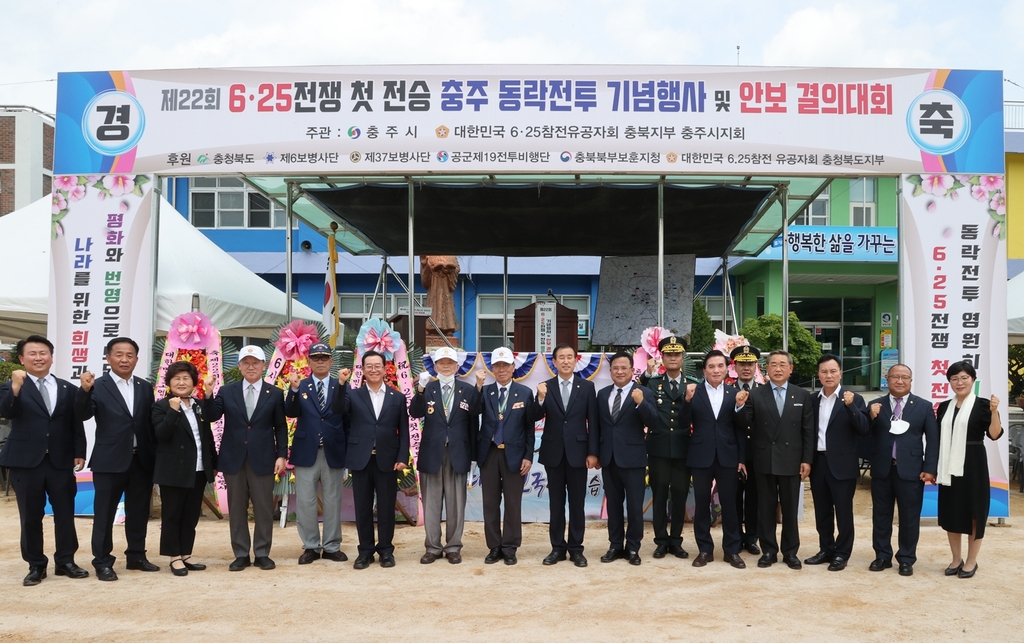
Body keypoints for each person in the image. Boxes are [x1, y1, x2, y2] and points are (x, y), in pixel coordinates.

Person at [0, 335, 87, 586]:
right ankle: (36, 564)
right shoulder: (10, 386)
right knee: (30, 515)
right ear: (21, 359)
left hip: (60, 460)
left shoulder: (66, 388)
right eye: (32, 354)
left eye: (43, 353)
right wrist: (16, 387)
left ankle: (66, 561)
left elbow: (75, 423)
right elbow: (7, 411)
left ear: (51, 356)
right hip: (26, 461)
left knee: (64, 512)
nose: (38, 358)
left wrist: (79, 451)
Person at [75, 337, 158, 581]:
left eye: (130, 355)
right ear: (108, 358)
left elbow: (147, 425)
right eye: (119, 354)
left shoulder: (145, 386)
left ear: (136, 359)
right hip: (109, 460)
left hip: (140, 460)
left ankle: (136, 556)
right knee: (104, 513)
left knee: (139, 511)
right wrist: (84, 391)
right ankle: (102, 561)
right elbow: (82, 414)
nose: (124, 359)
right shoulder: (97, 385)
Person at [202, 345, 288, 571]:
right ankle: (240, 554)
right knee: (237, 509)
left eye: (255, 362)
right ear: (239, 366)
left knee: (263, 508)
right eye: (246, 362)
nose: (251, 366)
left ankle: (262, 553)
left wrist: (281, 455)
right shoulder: (227, 391)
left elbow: (280, 427)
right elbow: (211, 415)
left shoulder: (275, 393)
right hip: (234, 458)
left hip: (264, 458)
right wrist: (208, 394)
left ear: (263, 365)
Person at [334, 350, 410, 569]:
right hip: (361, 459)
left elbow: (403, 430)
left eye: (378, 366)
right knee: (363, 507)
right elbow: (338, 410)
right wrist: (341, 384)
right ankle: (365, 551)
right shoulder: (353, 394)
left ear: (386, 369)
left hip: (388, 459)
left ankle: (386, 550)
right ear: (363, 369)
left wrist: (402, 456)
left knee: (387, 507)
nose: (374, 370)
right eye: (369, 366)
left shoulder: (397, 397)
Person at [409, 346, 480, 565]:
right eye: (442, 363)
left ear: (457, 366)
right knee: (431, 503)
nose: (446, 366)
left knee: (456, 503)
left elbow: (474, 422)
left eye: (450, 363)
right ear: (435, 366)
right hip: (432, 453)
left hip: (458, 453)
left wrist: (474, 457)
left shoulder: (468, 390)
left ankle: (453, 547)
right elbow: (415, 412)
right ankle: (432, 547)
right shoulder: (427, 388)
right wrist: (419, 391)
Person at [744, 349, 813, 570]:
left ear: (790, 369)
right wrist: (738, 406)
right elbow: (745, 423)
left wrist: (807, 459)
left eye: (783, 364)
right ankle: (769, 550)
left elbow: (807, 431)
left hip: (792, 460)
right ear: (766, 368)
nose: (778, 368)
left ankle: (791, 552)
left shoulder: (802, 395)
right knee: (766, 508)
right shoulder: (756, 394)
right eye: (773, 364)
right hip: (764, 459)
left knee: (790, 509)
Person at [865, 363, 938, 576]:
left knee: (909, 517)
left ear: (911, 380)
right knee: (881, 516)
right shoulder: (875, 405)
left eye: (904, 377)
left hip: (912, 471)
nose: (899, 380)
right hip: (882, 469)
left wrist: (930, 468)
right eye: (895, 376)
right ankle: (882, 556)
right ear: (887, 379)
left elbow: (933, 439)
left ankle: (906, 558)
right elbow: (862, 434)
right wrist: (870, 416)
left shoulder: (923, 406)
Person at [284, 343, 352, 566]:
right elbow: (291, 413)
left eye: (325, 357)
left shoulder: (341, 385)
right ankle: (311, 546)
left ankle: (332, 546)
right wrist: (293, 390)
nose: (320, 361)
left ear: (332, 362)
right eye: (316, 358)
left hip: (333, 450)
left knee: (333, 500)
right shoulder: (300, 386)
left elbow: (347, 418)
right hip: (306, 452)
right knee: (305, 501)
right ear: (309, 362)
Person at [476, 347, 543, 566]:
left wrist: (528, 456)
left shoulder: (524, 392)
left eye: (506, 365)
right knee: (490, 503)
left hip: (515, 455)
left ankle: (510, 546)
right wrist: (477, 387)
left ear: (514, 368)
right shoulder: (485, 391)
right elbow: (474, 411)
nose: (502, 369)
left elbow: (529, 426)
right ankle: (494, 547)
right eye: (497, 365)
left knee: (513, 503)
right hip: (490, 453)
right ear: (492, 368)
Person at [936, 361, 1003, 579]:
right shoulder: (944, 407)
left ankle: (972, 561)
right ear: (950, 382)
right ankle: (956, 559)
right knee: (952, 512)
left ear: (973, 380)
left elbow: (994, 434)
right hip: (948, 466)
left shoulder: (984, 405)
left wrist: (995, 412)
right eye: (954, 378)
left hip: (973, 464)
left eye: (964, 377)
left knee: (974, 513)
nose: (959, 382)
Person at [151, 361, 217, 577]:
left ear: (193, 382)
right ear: (169, 382)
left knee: (190, 515)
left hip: (197, 469)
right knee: (172, 515)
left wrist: (213, 464)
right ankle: (174, 557)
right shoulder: (161, 406)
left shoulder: (198, 405)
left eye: (186, 378)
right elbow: (161, 434)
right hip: (173, 471)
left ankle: (186, 553)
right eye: (176, 378)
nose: (181, 382)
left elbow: (206, 437)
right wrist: (173, 411)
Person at [804, 354, 868, 572]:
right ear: (818, 375)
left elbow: (863, 428)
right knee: (822, 511)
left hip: (843, 465)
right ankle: (826, 549)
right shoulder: (812, 399)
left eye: (833, 371)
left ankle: (842, 553)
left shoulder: (854, 398)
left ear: (840, 373)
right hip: (818, 463)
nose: (828, 375)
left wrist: (851, 407)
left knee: (843, 511)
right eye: (824, 371)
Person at [536, 343, 598, 568]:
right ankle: (557, 548)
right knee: (556, 504)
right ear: (554, 362)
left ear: (575, 360)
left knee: (576, 504)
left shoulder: (587, 387)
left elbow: (594, 422)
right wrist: (540, 398)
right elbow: (534, 415)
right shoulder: (545, 387)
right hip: (553, 454)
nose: (565, 361)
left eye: (569, 357)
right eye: (560, 357)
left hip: (578, 454)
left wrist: (592, 453)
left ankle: (576, 549)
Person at [686, 349, 749, 569]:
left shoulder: (734, 394)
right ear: (704, 370)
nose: (716, 370)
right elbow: (685, 423)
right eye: (711, 366)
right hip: (701, 456)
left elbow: (741, 429)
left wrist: (741, 458)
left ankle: (732, 550)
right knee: (701, 505)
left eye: (720, 366)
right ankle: (705, 550)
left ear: (726, 368)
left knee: (730, 505)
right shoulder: (694, 392)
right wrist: (686, 401)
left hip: (728, 456)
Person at [596, 351, 658, 566]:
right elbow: (597, 427)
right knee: (613, 505)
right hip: (609, 458)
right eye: (615, 368)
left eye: (624, 368)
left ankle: (633, 547)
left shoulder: (643, 392)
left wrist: (641, 403)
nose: (619, 371)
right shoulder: (602, 394)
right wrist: (595, 454)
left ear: (632, 370)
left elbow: (654, 421)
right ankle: (615, 545)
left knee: (634, 506)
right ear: (611, 371)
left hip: (633, 459)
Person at [639, 335, 693, 560]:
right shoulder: (652, 383)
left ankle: (676, 541)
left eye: (676, 354)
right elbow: (638, 389)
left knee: (680, 496)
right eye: (668, 354)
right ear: (662, 357)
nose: (672, 358)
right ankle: (661, 540)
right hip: (659, 448)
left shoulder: (692, 384)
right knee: (659, 495)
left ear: (682, 357)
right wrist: (647, 371)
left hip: (683, 449)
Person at [730, 344, 762, 555]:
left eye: (750, 363)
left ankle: (751, 538)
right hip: (732, 453)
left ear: (755, 365)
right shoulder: (726, 390)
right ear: (735, 366)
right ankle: (734, 536)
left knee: (754, 499)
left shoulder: (764, 391)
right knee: (732, 498)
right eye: (742, 363)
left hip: (757, 454)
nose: (746, 368)